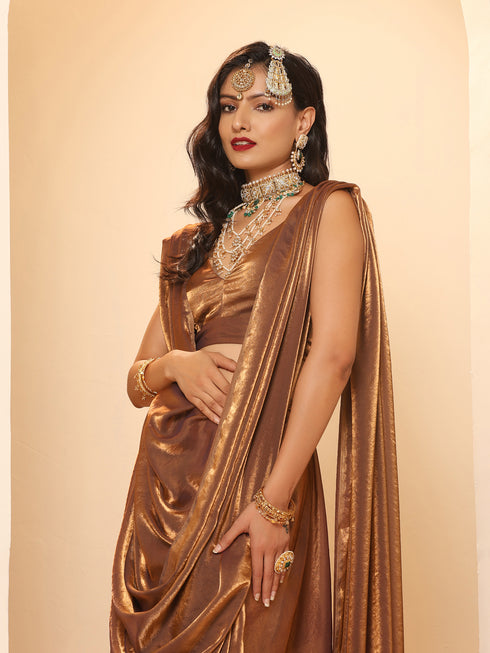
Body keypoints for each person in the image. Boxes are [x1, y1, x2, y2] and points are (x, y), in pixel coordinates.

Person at [110, 42, 404, 653]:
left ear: (304, 120)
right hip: (165, 489)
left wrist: (273, 505)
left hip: (259, 473)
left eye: (264, 105)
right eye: (227, 106)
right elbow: (139, 381)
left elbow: (334, 357)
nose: (239, 121)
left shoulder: (328, 209)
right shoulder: (195, 240)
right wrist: (178, 364)